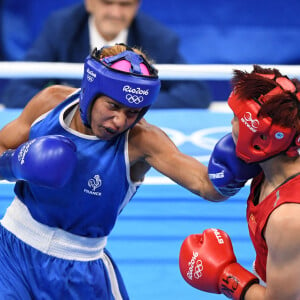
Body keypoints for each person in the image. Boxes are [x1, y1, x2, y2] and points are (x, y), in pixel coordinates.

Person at [0, 43, 259, 299]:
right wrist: (15, 163)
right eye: (112, 106)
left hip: (79, 270)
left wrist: (244, 153)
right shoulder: (50, 103)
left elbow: (206, 185)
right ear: (90, 92)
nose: (120, 121)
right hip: (10, 249)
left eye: (132, 112)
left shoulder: (141, 141)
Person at [179, 65, 300, 299]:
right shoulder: (267, 168)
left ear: (260, 137)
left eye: (236, 118)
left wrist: (227, 276)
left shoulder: (289, 217)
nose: (231, 125)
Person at [0, 0, 211, 109]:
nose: (116, 13)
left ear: (137, 6)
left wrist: (128, 104)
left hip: (129, 136)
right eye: (107, 2)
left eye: (125, 4)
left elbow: (197, 94)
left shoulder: (157, 37)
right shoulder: (61, 28)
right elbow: (16, 92)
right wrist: (85, 104)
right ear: (90, 2)